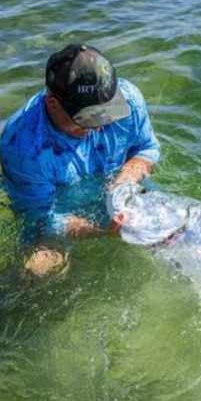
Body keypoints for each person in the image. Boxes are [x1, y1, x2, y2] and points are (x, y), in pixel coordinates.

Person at [0, 44, 160, 278]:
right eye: (88, 118)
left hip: (119, 198)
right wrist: (102, 232)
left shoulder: (130, 100)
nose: (100, 126)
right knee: (36, 273)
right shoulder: (22, 147)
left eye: (108, 112)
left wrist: (128, 176)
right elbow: (42, 218)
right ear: (52, 103)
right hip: (58, 214)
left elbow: (147, 148)